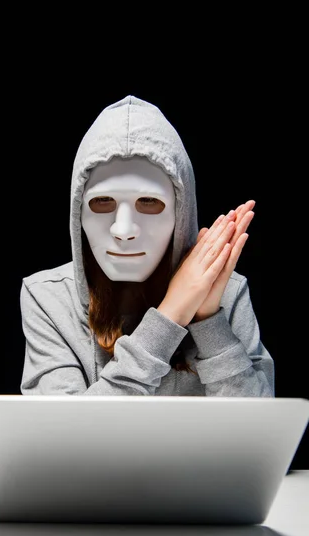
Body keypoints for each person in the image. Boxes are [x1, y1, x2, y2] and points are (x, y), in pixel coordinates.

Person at [19, 95, 274, 397]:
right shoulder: (49, 297)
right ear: (79, 213)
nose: (123, 230)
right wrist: (172, 313)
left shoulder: (225, 292)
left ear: (180, 213)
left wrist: (209, 320)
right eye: (103, 201)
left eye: (149, 201)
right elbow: (64, 437)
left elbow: (255, 437)